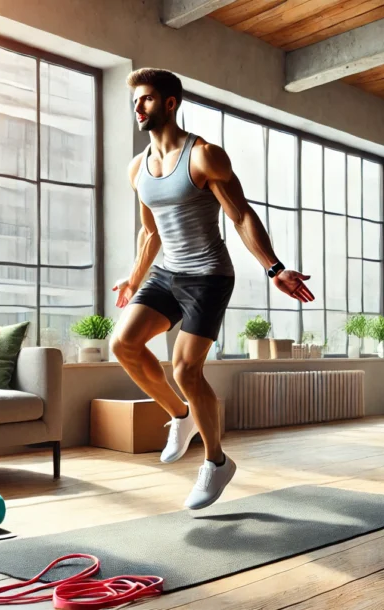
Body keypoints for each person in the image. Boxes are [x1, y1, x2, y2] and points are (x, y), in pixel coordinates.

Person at [111, 68, 315, 510]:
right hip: (167, 273)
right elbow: (151, 234)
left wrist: (274, 268)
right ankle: (180, 416)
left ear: (169, 103)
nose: (137, 108)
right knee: (123, 345)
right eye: (134, 101)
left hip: (208, 276)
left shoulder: (204, 156)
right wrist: (133, 277)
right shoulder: (137, 170)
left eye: (145, 99)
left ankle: (216, 463)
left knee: (185, 369)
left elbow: (241, 215)